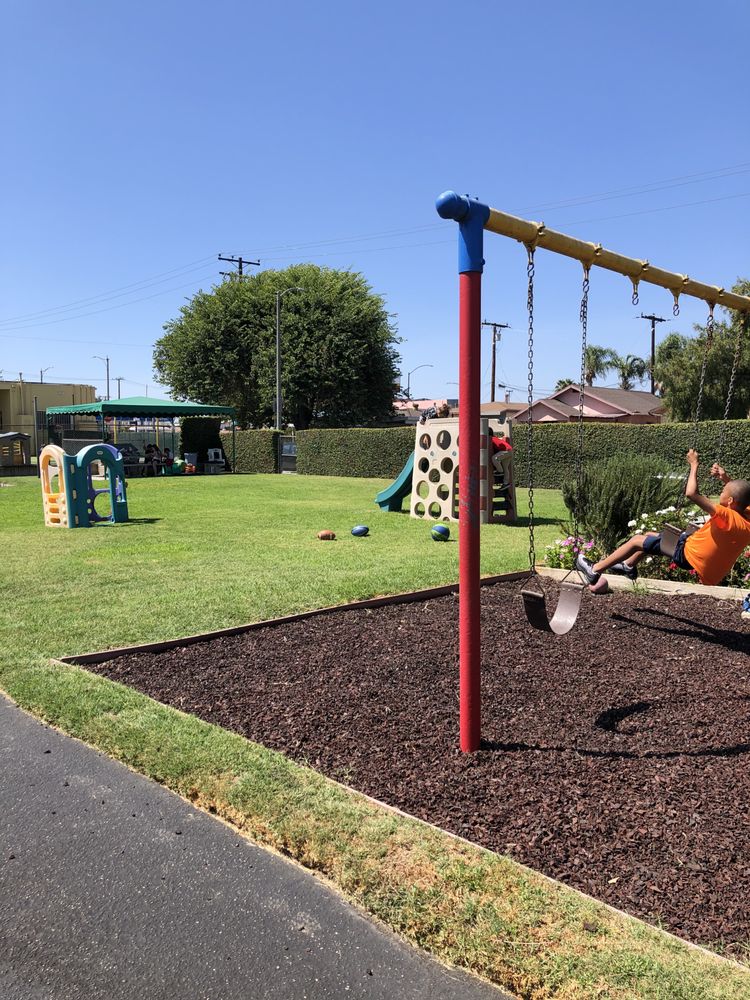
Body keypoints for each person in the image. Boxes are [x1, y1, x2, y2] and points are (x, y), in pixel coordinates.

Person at [576, 450, 750, 587]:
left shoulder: (727, 517)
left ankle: (594, 570)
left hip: (688, 555)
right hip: (694, 550)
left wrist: (694, 465)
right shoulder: (746, 516)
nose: (721, 492)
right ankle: (628, 566)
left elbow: (691, 494)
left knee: (637, 540)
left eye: (722, 492)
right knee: (652, 535)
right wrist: (726, 479)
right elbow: (741, 496)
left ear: (729, 501)